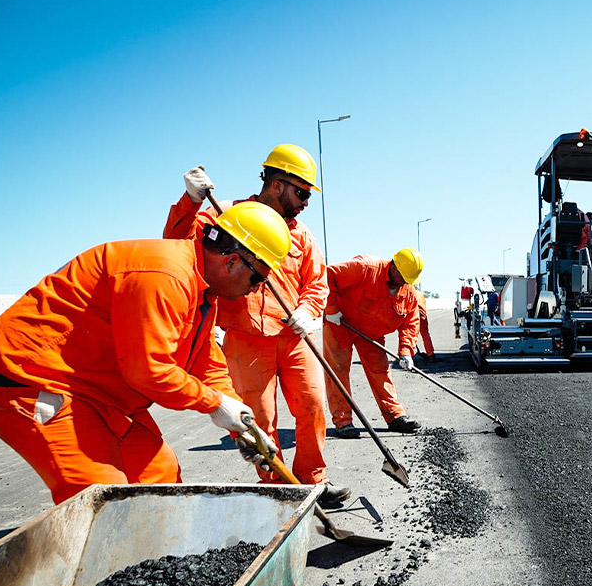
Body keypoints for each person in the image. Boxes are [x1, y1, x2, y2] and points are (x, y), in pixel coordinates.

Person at [0, 204, 289, 505]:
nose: (256, 288)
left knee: (159, 476)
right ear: (232, 261)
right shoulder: (165, 276)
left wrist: (244, 426)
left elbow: (207, 363)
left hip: (97, 394)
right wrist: (216, 404)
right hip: (29, 381)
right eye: (258, 278)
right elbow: (149, 371)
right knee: (102, 497)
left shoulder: (202, 291)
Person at [164, 145, 348, 508]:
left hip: (294, 338)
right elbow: (176, 244)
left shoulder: (303, 236)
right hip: (244, 339)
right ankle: (280, 487)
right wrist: (189, 201)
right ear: (277, 185)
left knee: (311, 405)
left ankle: (313, 479)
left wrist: (308, 310)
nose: (306, 202)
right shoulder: (226, 217)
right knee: (258, 419)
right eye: (302, 192)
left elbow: (317, 283)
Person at [323, 249, 424, 435]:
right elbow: (328, 274)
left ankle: (394, 417)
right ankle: (343, 422)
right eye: (403, 277)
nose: (405, 282)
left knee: (380, 371)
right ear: (394, 266)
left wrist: (406, 351)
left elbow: (411, 322)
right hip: (340, 324)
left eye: (409, 279)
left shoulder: (408, 292)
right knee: (337, 371)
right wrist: (331, 309)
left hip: (371, 334)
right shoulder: (365, 267)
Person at [415, 292, 436, 361]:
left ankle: (405, 354)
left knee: (408, 334)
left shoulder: (408, 292)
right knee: (425, 334)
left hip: (413, 315)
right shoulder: (420, 294)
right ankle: (431, 354)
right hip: (422, 315)